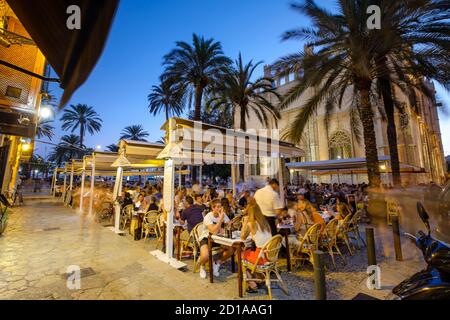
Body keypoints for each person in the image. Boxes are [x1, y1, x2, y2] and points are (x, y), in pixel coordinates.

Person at [240, 199, 273, 292]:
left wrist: (245, 222)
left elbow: (242, 237)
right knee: (250, 251)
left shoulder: (251, 224)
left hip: (261, 258)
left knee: (240, 255)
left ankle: (252, 284)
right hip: (270, 256)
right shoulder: (265, 223)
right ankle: (258, 278)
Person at [198, 199, 234, 279]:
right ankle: (202, 266)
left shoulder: (223, 214)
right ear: (212, 208)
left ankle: (217, 263)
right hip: (206, 238)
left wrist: (230, 224)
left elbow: (230, 225)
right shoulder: (208, 217)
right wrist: (221, 220)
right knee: (205, 255)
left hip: (218, 238)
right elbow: (213, 231)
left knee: (231, 249)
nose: (219, 209)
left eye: (220, 206)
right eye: (217, 207)